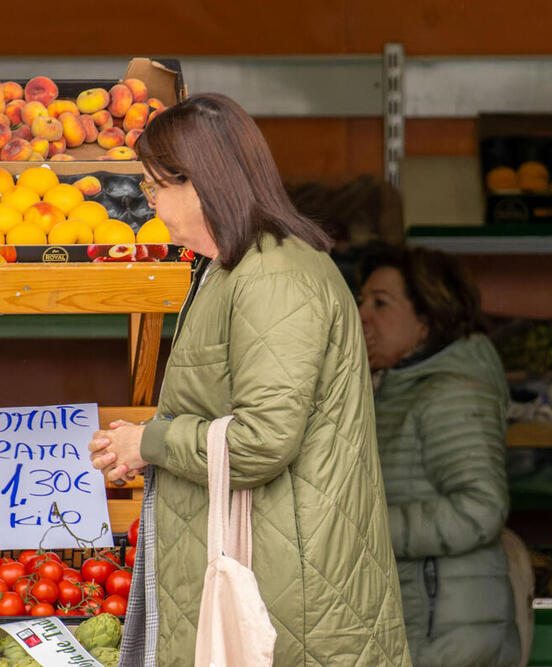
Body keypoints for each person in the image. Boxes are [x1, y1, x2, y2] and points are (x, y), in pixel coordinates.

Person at [88, 93, 410, 666]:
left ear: (200, 183)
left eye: (156, 186)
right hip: (274, 576)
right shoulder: (235, 269)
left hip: (289, 596)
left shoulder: (274, 277)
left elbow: (262, 440)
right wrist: (147, 446)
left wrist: (152, 441)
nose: (150, 201)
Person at [357, 244, 521, 666]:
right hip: (430, 620)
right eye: (361, 301)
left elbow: (481, 509)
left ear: (428, 319)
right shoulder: (403, 387)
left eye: (380, 303)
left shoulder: (450, 392)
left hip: (451, 628)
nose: (362, 317)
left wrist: (368, 528)